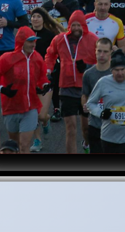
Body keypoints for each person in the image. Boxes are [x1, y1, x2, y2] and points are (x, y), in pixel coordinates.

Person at [44, 10, 98, 154]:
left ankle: (86, 143)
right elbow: (50, 55)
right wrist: (48, 72)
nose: (76, 28)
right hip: (66, 87)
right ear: (69, 26)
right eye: (73, 25)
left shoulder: (93, 39)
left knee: (86, 128)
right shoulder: (60, 39)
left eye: (79, 25)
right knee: (71, 128)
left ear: (84, 26)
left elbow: (102, 63)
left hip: (86, 89)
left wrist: (87, 67)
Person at [0, 27, 49, 153]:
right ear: (21, 42)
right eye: (30, 41)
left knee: (24, 145)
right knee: (14, 146)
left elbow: (42, 78)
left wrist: (44, 85)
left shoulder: (37, 58)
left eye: (34, 41)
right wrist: (3, 89)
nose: (33, 44)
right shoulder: (7, 58)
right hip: (11, 107)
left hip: (30, 107)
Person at [81, 37, 113, 154]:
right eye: (99, 51)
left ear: (110, 52)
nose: (101, 54)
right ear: (95, 51)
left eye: (105, 51)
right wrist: (85, 105)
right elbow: (85, 94)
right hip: (95, 124)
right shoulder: (88, 74)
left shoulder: (115, 73)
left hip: (113, 125)